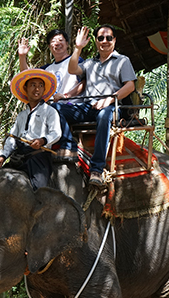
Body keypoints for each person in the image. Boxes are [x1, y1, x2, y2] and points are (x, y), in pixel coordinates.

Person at [54, 24, 136, 187]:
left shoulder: (122, 61)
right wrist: (78, 48)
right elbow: (72, 69)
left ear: (114, 40)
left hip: (111, 107)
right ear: (96, 41)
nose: (104, 41)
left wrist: (110, 99)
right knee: (55, 108)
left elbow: (130, 86)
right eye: (100, 38)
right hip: (88, 106)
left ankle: (97, 169)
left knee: (104, 115)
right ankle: (69, 146)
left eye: (108, 38)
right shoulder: (90, 63)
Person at [0, 69, 62, 190]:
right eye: (33, 85)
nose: (37, 89)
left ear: (44, 89)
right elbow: (12, 138)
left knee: (39, 191)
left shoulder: (50, 111)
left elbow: (56, 133)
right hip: (19, 156)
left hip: (38, 157)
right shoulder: (21, 115)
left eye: (40, 86)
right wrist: (3, 155)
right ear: (25, 88)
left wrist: (42, 141)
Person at [18, 29, 84, 102]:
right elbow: (27, 75)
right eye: (53, 41)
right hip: (52, 107)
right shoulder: (47, 69)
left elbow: (85, 82)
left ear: (67, 44)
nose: (57, 43)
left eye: (60, 40)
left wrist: (67, 96)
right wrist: (22, 56)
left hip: (72, 105)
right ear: (49, 46)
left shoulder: (76, 61)